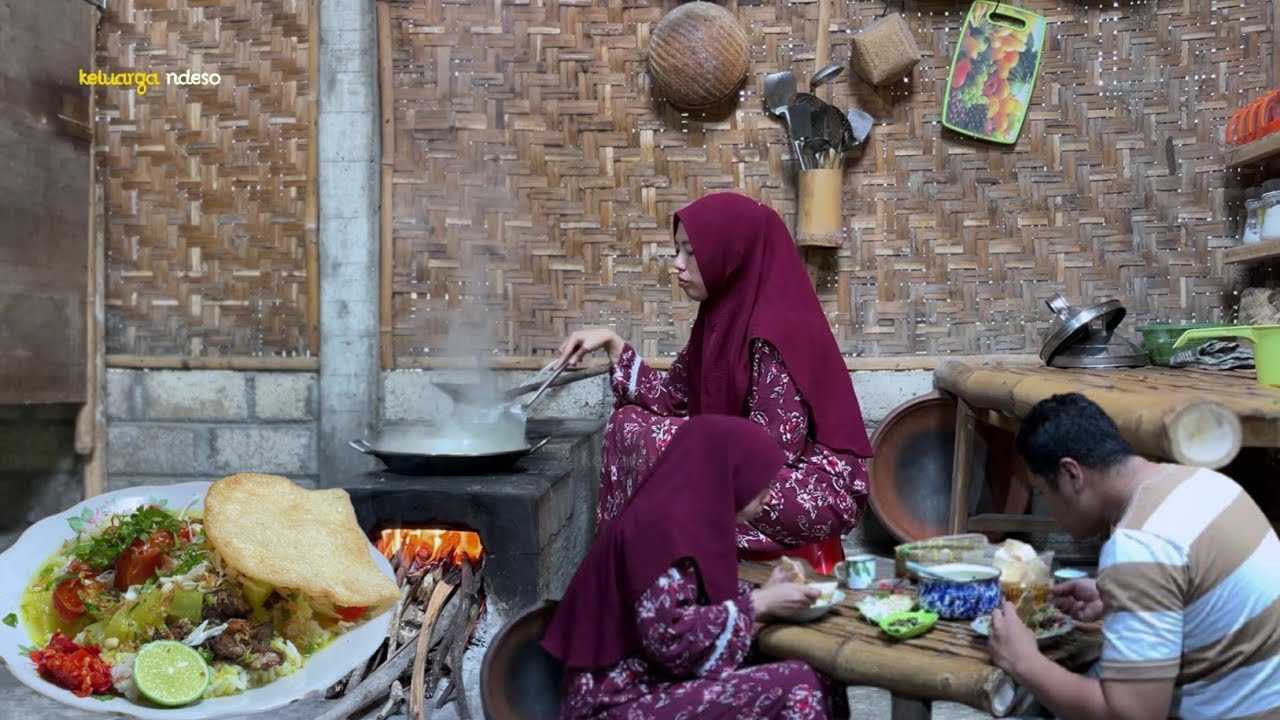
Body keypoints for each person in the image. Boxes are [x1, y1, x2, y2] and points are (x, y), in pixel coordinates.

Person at [556, 192, 873, 570]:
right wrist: (612, 342)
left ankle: (664, 573)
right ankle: (634, 573)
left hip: (808, 488)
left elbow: (769, 455)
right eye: (677, 251)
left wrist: (692, 444)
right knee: (628, 425)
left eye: (691, 252)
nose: (678, 264)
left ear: (732, 253)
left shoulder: (776, 330)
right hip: (749, 472)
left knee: (674, 454)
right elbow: (672, 397)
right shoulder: (720, 315)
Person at [987, 393, 1280, 720]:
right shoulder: (1203, 483)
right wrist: (1116, 597)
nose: (1052, 513)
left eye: (1043, 493)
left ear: (1072, 474)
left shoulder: (1138, 546)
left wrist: (1024, 662)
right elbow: (1198, 589)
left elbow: (1134, 715)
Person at [542, 415, 845, 719]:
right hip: (618, 699)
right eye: (760, 484)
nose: (769, 496)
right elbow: (669, 639)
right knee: (796, 684)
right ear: (727, 475)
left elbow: (696, 593)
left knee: (822, 673)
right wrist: (759, 603)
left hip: (653, 681)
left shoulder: (689, 519)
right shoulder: (658, 530)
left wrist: (767, 591)